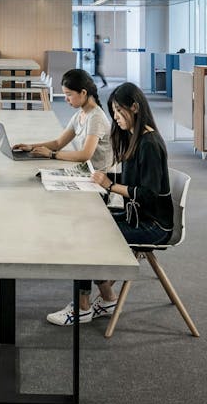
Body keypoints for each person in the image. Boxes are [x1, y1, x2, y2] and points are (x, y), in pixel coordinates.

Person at [46, 82, 174, 326]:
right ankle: (107, 298)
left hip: (153, 226)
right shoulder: (136, 138)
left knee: (86, 236)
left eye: (119, 111)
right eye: (113, 112)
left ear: (135, 107)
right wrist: (103, 179)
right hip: (137, 216)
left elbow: (148, 195)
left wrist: (110, 185)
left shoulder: (149, 144)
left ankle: (83, 307)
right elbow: (133, 181)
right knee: (85, 225)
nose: (115, 118)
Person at [12, 68, 112, 170]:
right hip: (87, 170)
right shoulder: (80, 114)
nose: (66, 99)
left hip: (100, 177)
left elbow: (85, 155)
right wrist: (31, 147)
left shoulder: (96, 118)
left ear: (83, 93)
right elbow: (58, 143)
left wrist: (52, 154)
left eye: (69, 94)